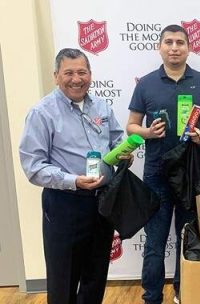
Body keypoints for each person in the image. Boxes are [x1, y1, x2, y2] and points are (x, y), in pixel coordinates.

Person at [19, 48, 133, 304]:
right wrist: (74, 181)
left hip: (103, 203)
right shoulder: (42, 113)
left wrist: (123, 152)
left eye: (82, 72)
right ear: (56, 76)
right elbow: (33, 166)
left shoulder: (102, 106)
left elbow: (116, 138)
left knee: (95, 276)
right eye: (68, 72)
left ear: (90, 75)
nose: (76, 78)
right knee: (63, 280)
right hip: (65, 205)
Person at [125, 24, 200, 304]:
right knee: (155, 244)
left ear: (189, 47)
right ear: (160, 47)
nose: (174, 47)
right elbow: (131, 125)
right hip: (157, 174)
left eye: (180, 42)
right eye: (168, 42)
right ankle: (152, 298)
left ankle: (184, 294)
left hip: (191, 173)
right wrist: (147, 133)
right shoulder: (145, 83)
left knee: (187, 240)